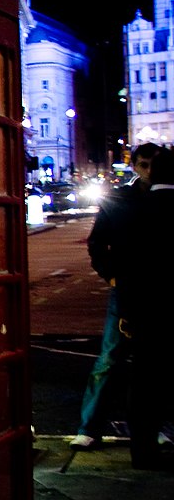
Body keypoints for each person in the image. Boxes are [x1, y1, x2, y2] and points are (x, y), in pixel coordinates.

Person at [70, 143, 162, 450]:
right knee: (110, 358)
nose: (149, 171)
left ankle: (153, 426)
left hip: (161, 290)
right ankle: (89, 427)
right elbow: (97, 243)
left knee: (157, 362)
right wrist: (111, 276)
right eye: (145, 164)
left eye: (154, 165)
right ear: (134, 165)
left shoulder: (167, 196)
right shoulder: (120, 199)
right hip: (126, 289)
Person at [114, 147, 174, 470]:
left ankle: (142, 450)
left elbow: (124, 265)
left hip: (145, 312)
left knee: (144, 381)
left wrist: (126, 310)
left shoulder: (136, 209)